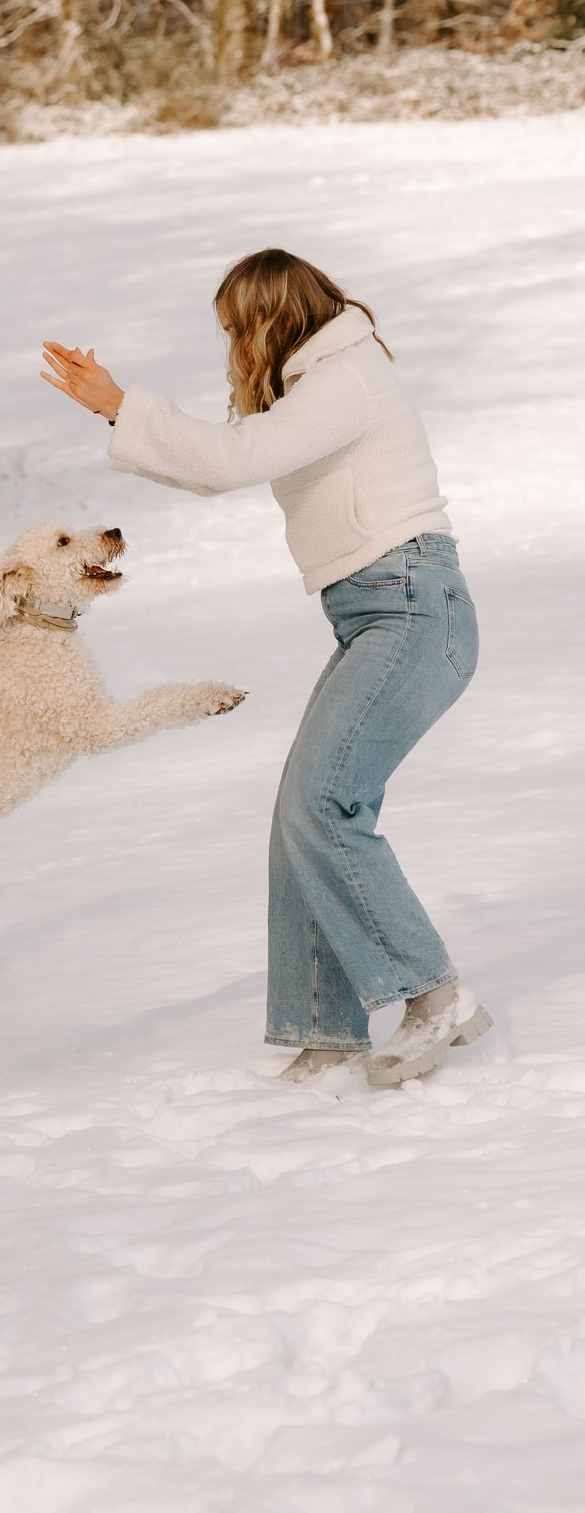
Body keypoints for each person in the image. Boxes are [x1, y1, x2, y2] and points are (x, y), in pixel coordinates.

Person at [41, 248, 490, 1088]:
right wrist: (118, 418)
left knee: (322, 804)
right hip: (375, 616)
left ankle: (437, 998)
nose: (231, 350)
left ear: (268, 318)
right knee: (302, 811)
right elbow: (222, 466)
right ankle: (327, 1033)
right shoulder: (316, 385)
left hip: (412, 609)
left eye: (233, 330)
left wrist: (121, 404)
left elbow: (232, 459)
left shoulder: (345, 376)